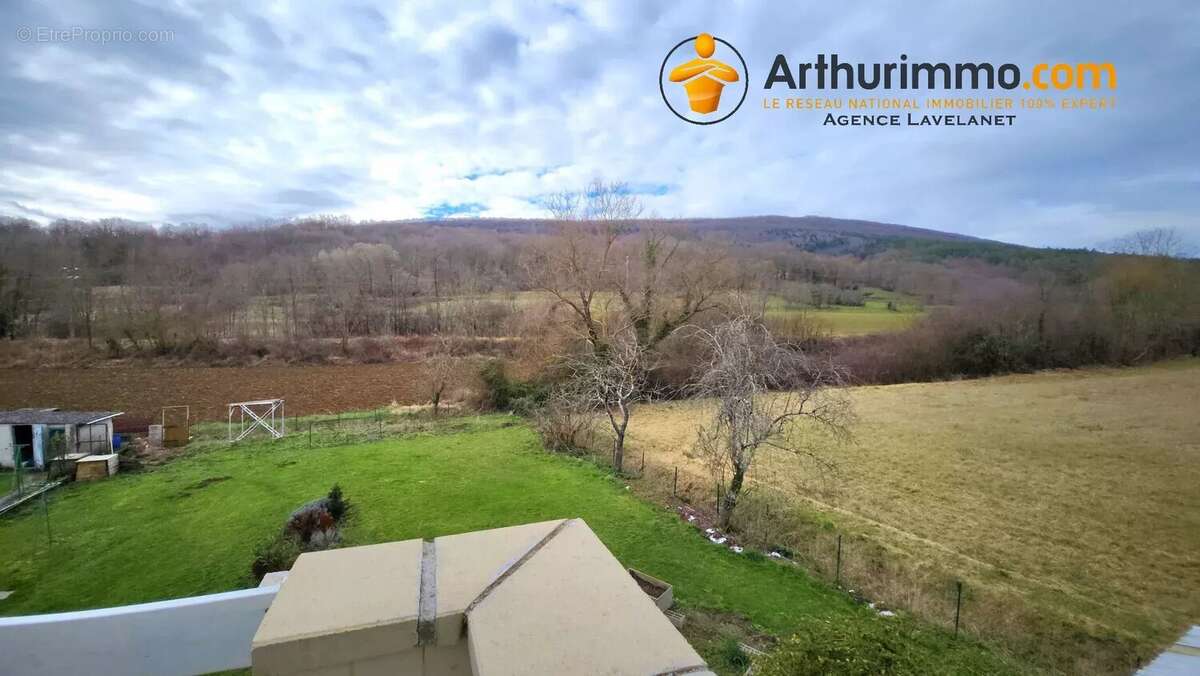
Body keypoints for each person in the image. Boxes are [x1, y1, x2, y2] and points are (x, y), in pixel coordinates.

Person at [669, 33, 739, 114]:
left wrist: (710, 68)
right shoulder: (695, 64)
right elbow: (673, 76)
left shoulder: (716, 64)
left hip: (714, 110)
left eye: (709, 46)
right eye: (703, 45)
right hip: (694, 111)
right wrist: (706, 67)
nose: (706, 48)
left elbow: (734, 76)